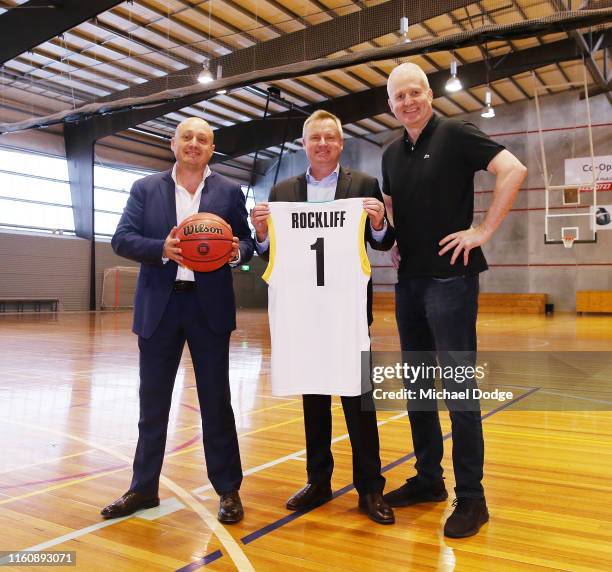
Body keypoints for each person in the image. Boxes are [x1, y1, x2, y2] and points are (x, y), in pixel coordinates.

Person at [381, 63, 527, 538]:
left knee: (459, 393)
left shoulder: (456, 133)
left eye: (415, 92)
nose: (408, 102)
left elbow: (513, 169)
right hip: (409, 282)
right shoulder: (389, 152)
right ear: (391, 104)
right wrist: (397, 235)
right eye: (399, 96)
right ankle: (428, 481)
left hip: (452, 282)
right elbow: (391, 203)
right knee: (419, 388)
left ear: (429, 94)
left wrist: (483, 231)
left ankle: (473, 499)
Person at [102, 117, 254, 524]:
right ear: (173, 143)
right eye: (186, 137)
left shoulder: (228, 190)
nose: (193, 144)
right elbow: (121, 238)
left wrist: (236, 252)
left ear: (211, 147)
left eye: (202, 139)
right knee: (152, 403)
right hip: (160, 307)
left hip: (209, 308)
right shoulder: (145, 189)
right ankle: (143, 488)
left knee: (216, 402)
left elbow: (248, 245)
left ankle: (228, 490)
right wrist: (163, 248)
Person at [251, 110, 396, 524]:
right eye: (315, 137)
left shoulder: (364, 185)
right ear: (304, 142)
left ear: (341, 144)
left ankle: (370, 489)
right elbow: (266, 250)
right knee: (314, 401)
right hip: (303, 314)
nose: (322, 144)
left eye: (330, 138)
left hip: (347, 314)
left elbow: (383, 243)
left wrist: (380, 221)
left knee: (358, 403)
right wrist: (260, 232)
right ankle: (319, 482)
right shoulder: (282, 192)